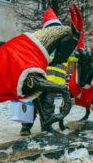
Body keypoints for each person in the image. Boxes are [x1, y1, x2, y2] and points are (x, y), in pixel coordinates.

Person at [20, 8, 66, 136]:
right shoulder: (39, 44)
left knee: (48, 104)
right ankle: (25, 126)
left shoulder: (63, 47)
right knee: (32, 103)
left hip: (53, 82)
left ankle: (46, 126)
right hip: (38, 80)